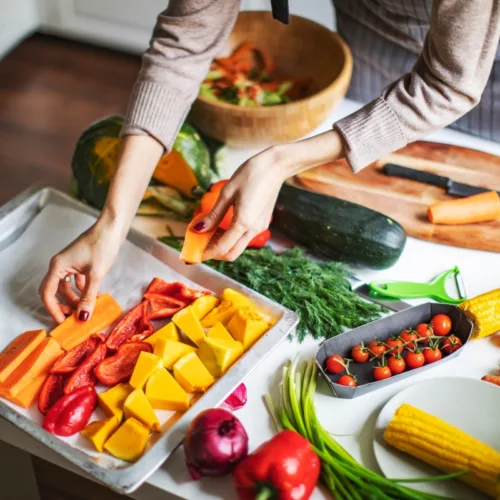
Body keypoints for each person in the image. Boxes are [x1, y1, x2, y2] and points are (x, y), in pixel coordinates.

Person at [40, 0, 500, 323]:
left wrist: (281, 161)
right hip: (376, 32)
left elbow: (450, 84)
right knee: (366, 111)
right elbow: (184, 46)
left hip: (487, 61)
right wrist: (112, 224)